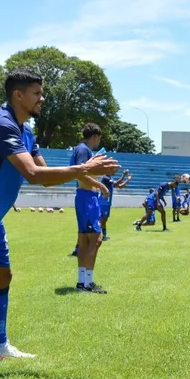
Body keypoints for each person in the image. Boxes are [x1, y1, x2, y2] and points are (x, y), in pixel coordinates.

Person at [0, 69, 118, 379]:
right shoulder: (0, 123)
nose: (42, 98)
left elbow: (46, 172)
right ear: (18, 95)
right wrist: (85, 169)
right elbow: (33, 175)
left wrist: (89, 181)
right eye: (37, 93)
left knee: (3, 277)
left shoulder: (26, 130)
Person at [71, 123, 113, 294]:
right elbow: (82, 174)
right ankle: (87, 283)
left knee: (84, 241)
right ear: (95, 136)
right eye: (99, 138)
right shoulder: (84, 150)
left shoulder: (79, 149)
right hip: (87, 198)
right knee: (95, 240)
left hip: (83, 197)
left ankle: (82, 282)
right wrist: (101, 187)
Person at [100, 169, 132, 241]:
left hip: (106, 202)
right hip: (103, 202)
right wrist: (123, 175)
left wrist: (128, 180)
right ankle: (99, 235)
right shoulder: (106, 178)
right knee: (102, 219)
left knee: (103, 220)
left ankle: (103, 235)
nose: (114, 171)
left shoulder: (110, 178)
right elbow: (116, 183)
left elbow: (120, 186)